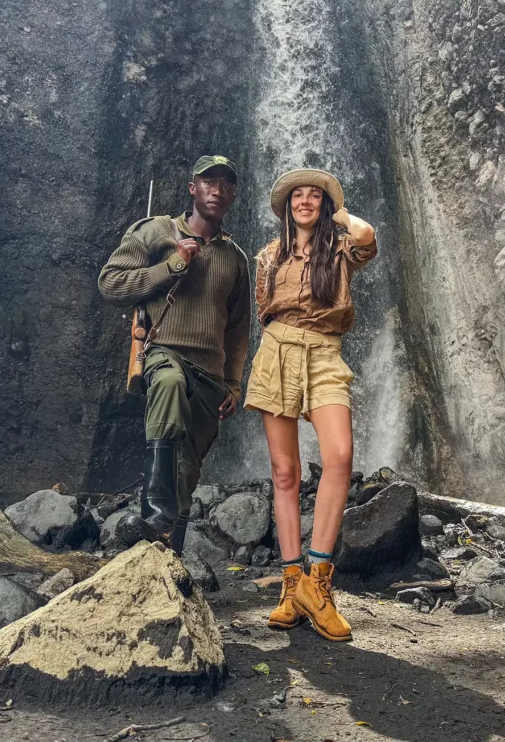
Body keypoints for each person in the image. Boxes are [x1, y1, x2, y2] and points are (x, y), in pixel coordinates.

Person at [244, 168, 377, 642]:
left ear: (323, 205)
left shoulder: (340, 249)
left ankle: (319, 584)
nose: (304, 202)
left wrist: (339, 212)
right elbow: (264, 312)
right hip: (278, 351)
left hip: (324, 353)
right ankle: (291, 586)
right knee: (285, 473)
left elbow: (365, 235)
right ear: (286, 207)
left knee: (339, 456)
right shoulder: (268, 256)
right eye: (296, 196)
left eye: (313, 196)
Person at [98, 156, 250, 553]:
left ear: (232, 194)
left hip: (211, 377)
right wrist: (172, 265)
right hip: (165, 353)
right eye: (208, 181)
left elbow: (238, 330)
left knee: (186, 471)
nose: (216, 189)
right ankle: (155, 513)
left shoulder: (236, 259)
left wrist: (234, 382)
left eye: (225, 184)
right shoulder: (155, 232)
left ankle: (168, 554)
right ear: (192, 188)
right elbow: (111, 284)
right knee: (167, 382)